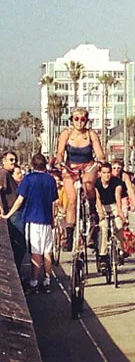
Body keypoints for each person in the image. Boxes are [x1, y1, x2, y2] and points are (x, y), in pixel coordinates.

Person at [2, 153, 58, 294]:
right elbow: (54, 202)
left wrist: (8, 214)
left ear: (33, 165)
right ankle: (47, 280)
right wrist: (53, 219)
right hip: (46, 220)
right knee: (47, 252)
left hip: (33, 219)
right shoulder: (50, 180)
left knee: (35, 252)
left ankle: (34, 282)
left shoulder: (29, 179)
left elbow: (20, 199)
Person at [55, 107, 105, 251]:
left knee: (88, 185)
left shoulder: (91, 134)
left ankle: (92, 212)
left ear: (86, 121)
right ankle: (70, 234)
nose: (79, 122)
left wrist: (100, 160)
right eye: (76, 119)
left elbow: (99, 153)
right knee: (72, 200)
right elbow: (60, 153)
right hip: (70, 168)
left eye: (83, 119)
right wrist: (60, 162)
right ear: (72, 120)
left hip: (87, 167)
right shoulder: (66, 133)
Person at [0, 150, 27, 273]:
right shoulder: (3, 173)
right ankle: (16, 271)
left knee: (18, 245)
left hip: (15, 213)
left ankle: (17, 271)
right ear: (3, 161)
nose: (14, 162)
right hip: (13, 213)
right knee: (19, 245)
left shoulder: (8, 175)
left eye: (15, 160)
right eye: (11, 160)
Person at [95, 162, 125, 268]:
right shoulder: (97, 183)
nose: (106, 175)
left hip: (114, 205)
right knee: (103, 227)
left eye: (108, 172)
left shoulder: (116, 182)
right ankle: (102, 255)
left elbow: (118, 195)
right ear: (100, 173)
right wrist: (100, 213)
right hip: (102, 206)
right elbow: (97, 198)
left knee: (119, 225)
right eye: (104, 173)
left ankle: (121, 249)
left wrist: (120, 212)